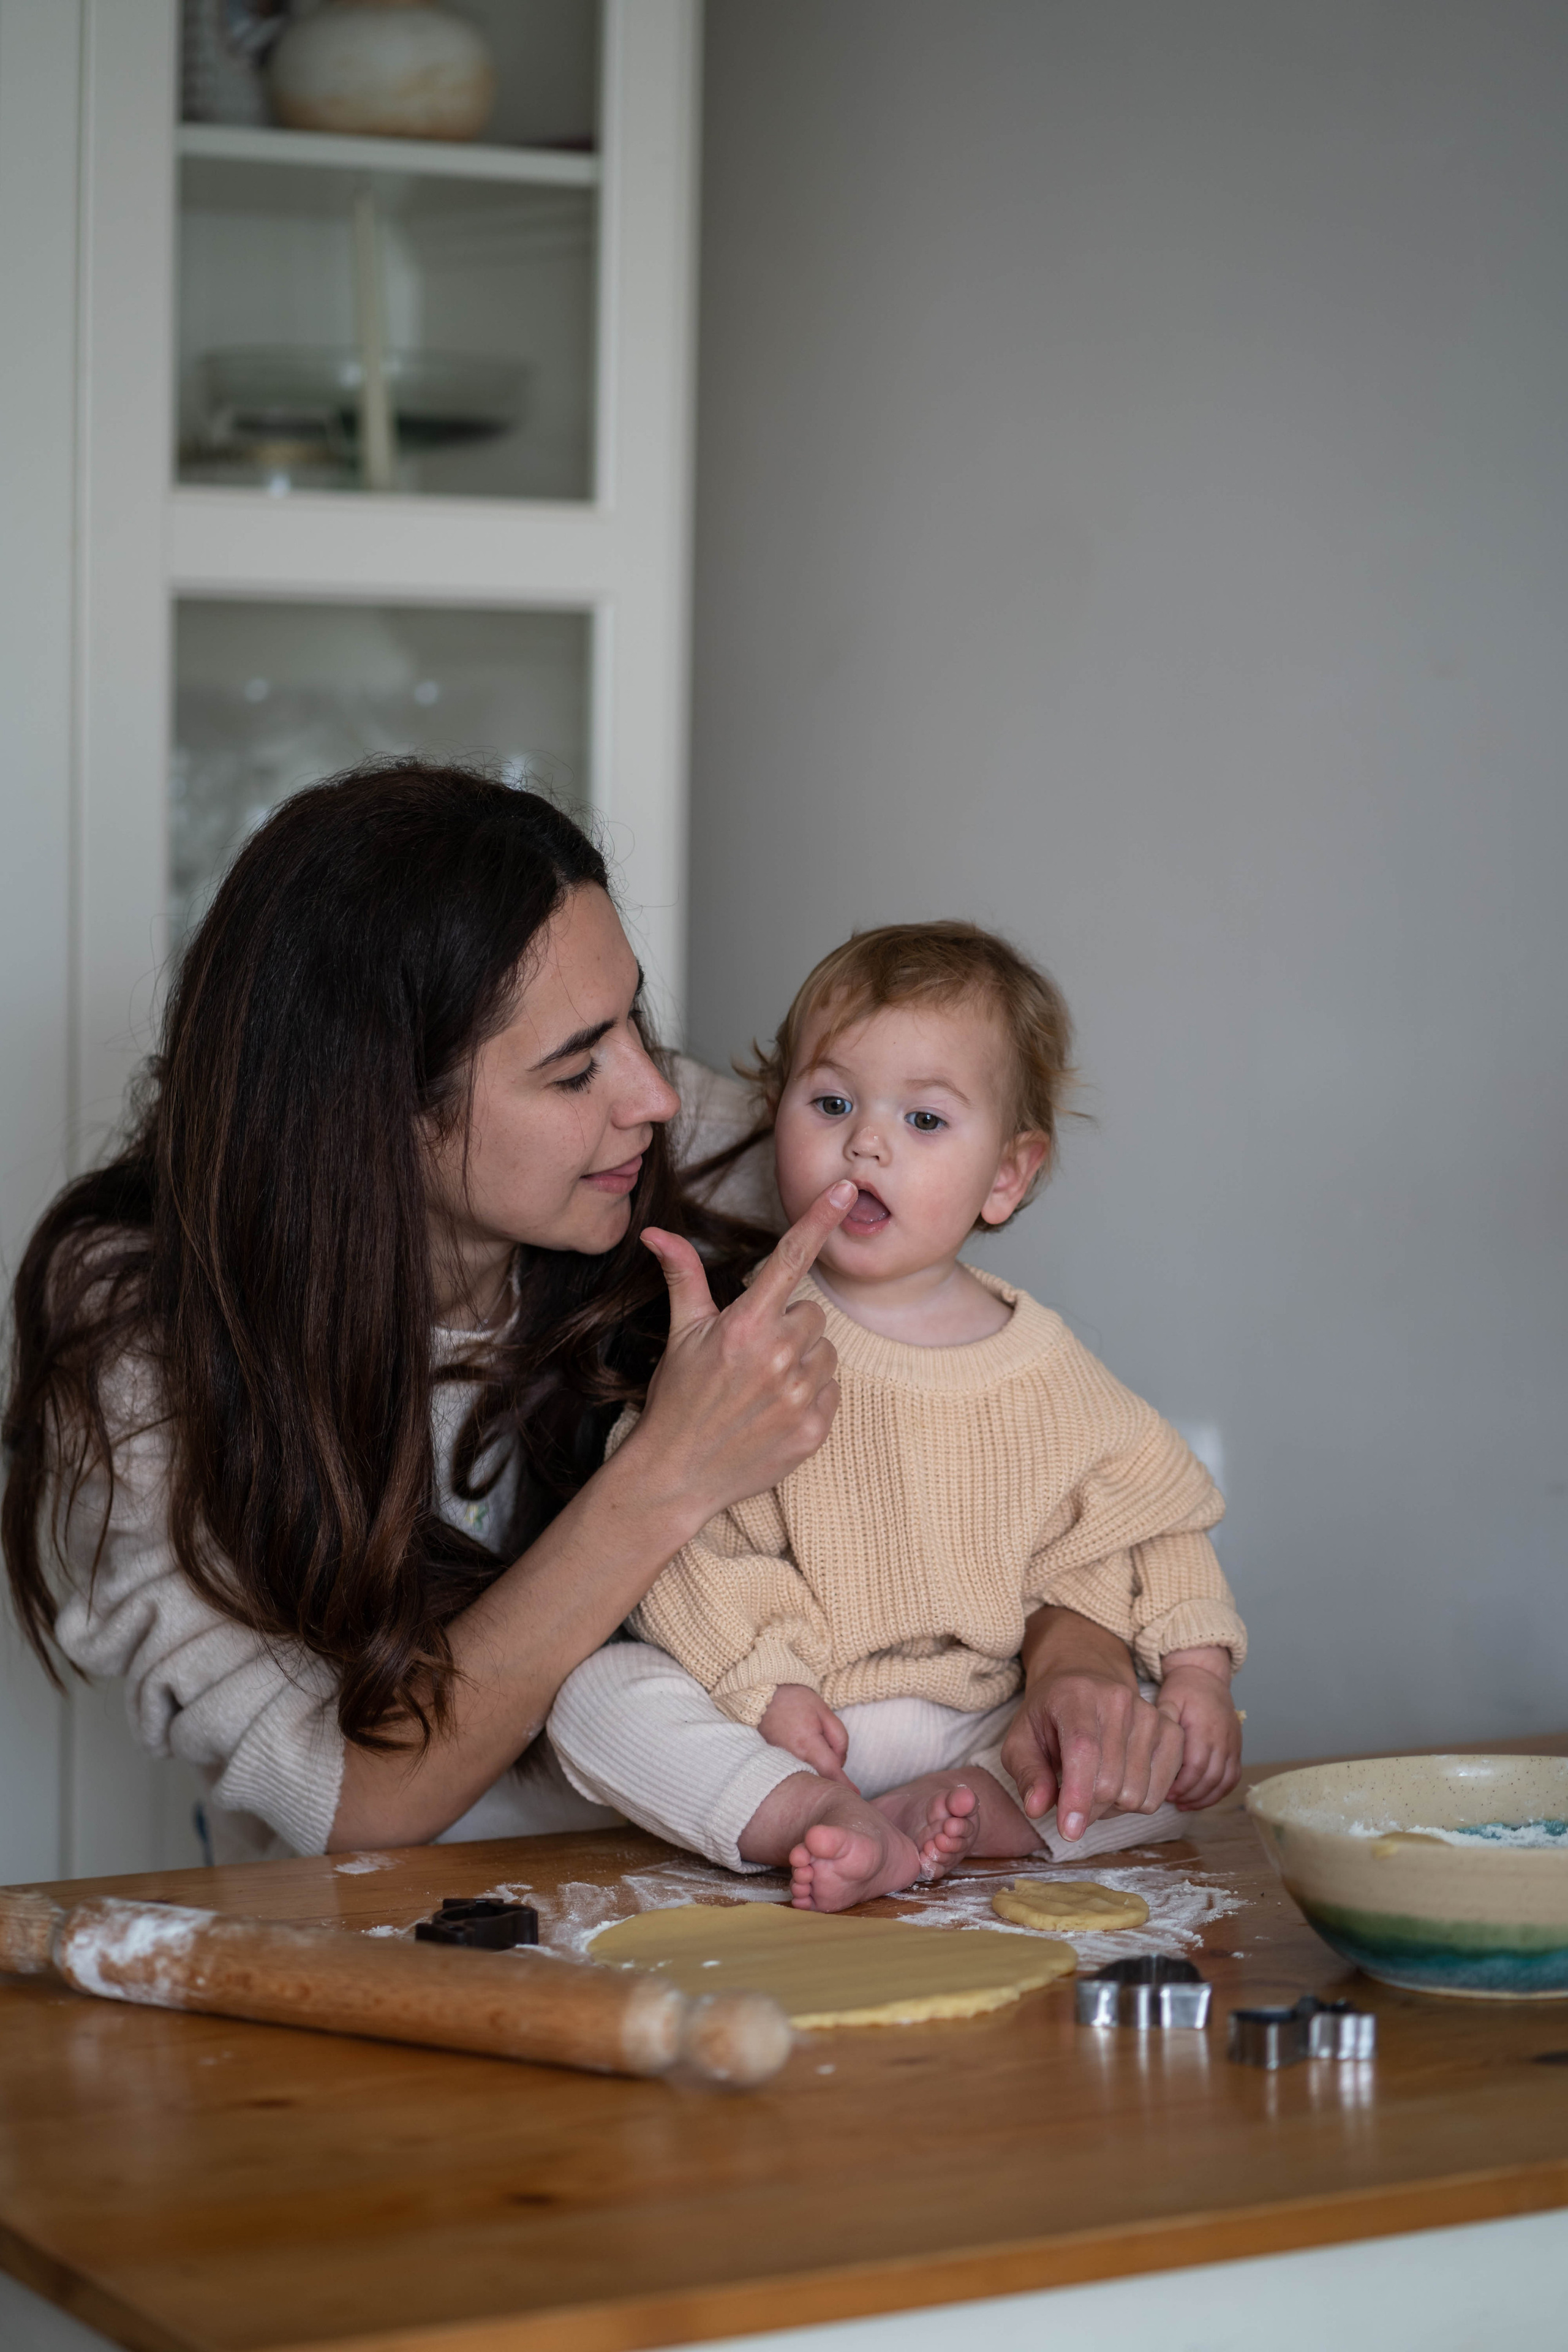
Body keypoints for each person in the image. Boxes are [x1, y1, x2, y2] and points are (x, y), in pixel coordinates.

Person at [1, 764, 846, 1862]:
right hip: (363, 1930)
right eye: (576, 1068)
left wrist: (1078, 1645)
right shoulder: (136, 1340)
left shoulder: (656, 1142)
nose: (657, 1097)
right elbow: (351, 1799)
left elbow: (958, 1259)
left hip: (703, 1866)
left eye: (631, 1019)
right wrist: (670, 1472)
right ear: (375, 1109)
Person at [549, 922, 1246, 1910]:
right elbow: (689, 1542)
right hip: (802, 1720)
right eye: (831, 1103)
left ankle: (965, 1814)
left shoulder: (1054, 1372)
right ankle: (810, 1816)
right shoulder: (752, 1340)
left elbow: (1152, 1522)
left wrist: (1198, 1679)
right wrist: (768, 1684)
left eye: (924, 1122)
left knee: (1150, 1764)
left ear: (1007, 1176)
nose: (866, 1141)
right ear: (775, 1116)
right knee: (595, 1701)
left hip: (978, 1719)